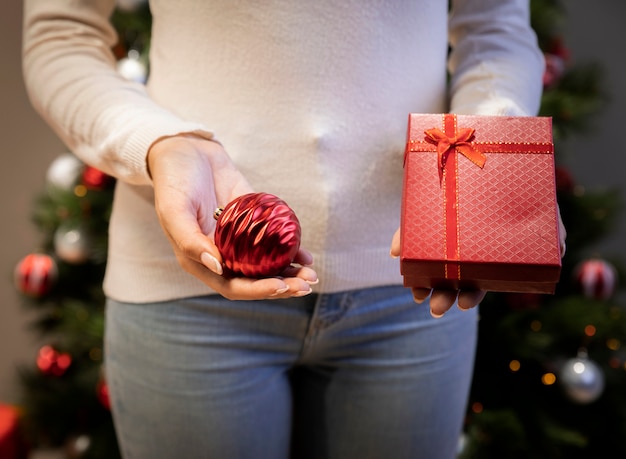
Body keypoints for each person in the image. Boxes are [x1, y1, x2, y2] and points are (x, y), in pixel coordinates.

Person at [22, 1, 565, 457]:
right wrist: (160, 143)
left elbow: (496, 28)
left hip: (411, 287)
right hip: (184, 290)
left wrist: (488, 173)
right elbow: (62, 33)